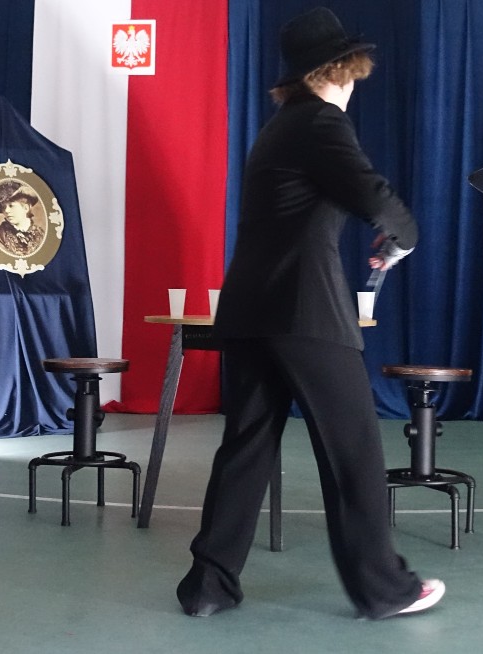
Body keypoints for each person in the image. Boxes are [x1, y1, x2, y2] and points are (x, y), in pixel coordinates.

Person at [176, 7, 442, 620]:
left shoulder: (280, 126)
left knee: (246, 449)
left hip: (249, 310)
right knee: (354, 451)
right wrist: (404, 235)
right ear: (339, 70)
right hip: (304, 312)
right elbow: (372, 193)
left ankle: (208, 586)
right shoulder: (322, 121)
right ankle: (385, 588)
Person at [0, 179, 44, 257]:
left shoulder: (40, 233)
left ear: (26, 208)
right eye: (4, 207)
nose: (6, 211)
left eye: (11, 205)